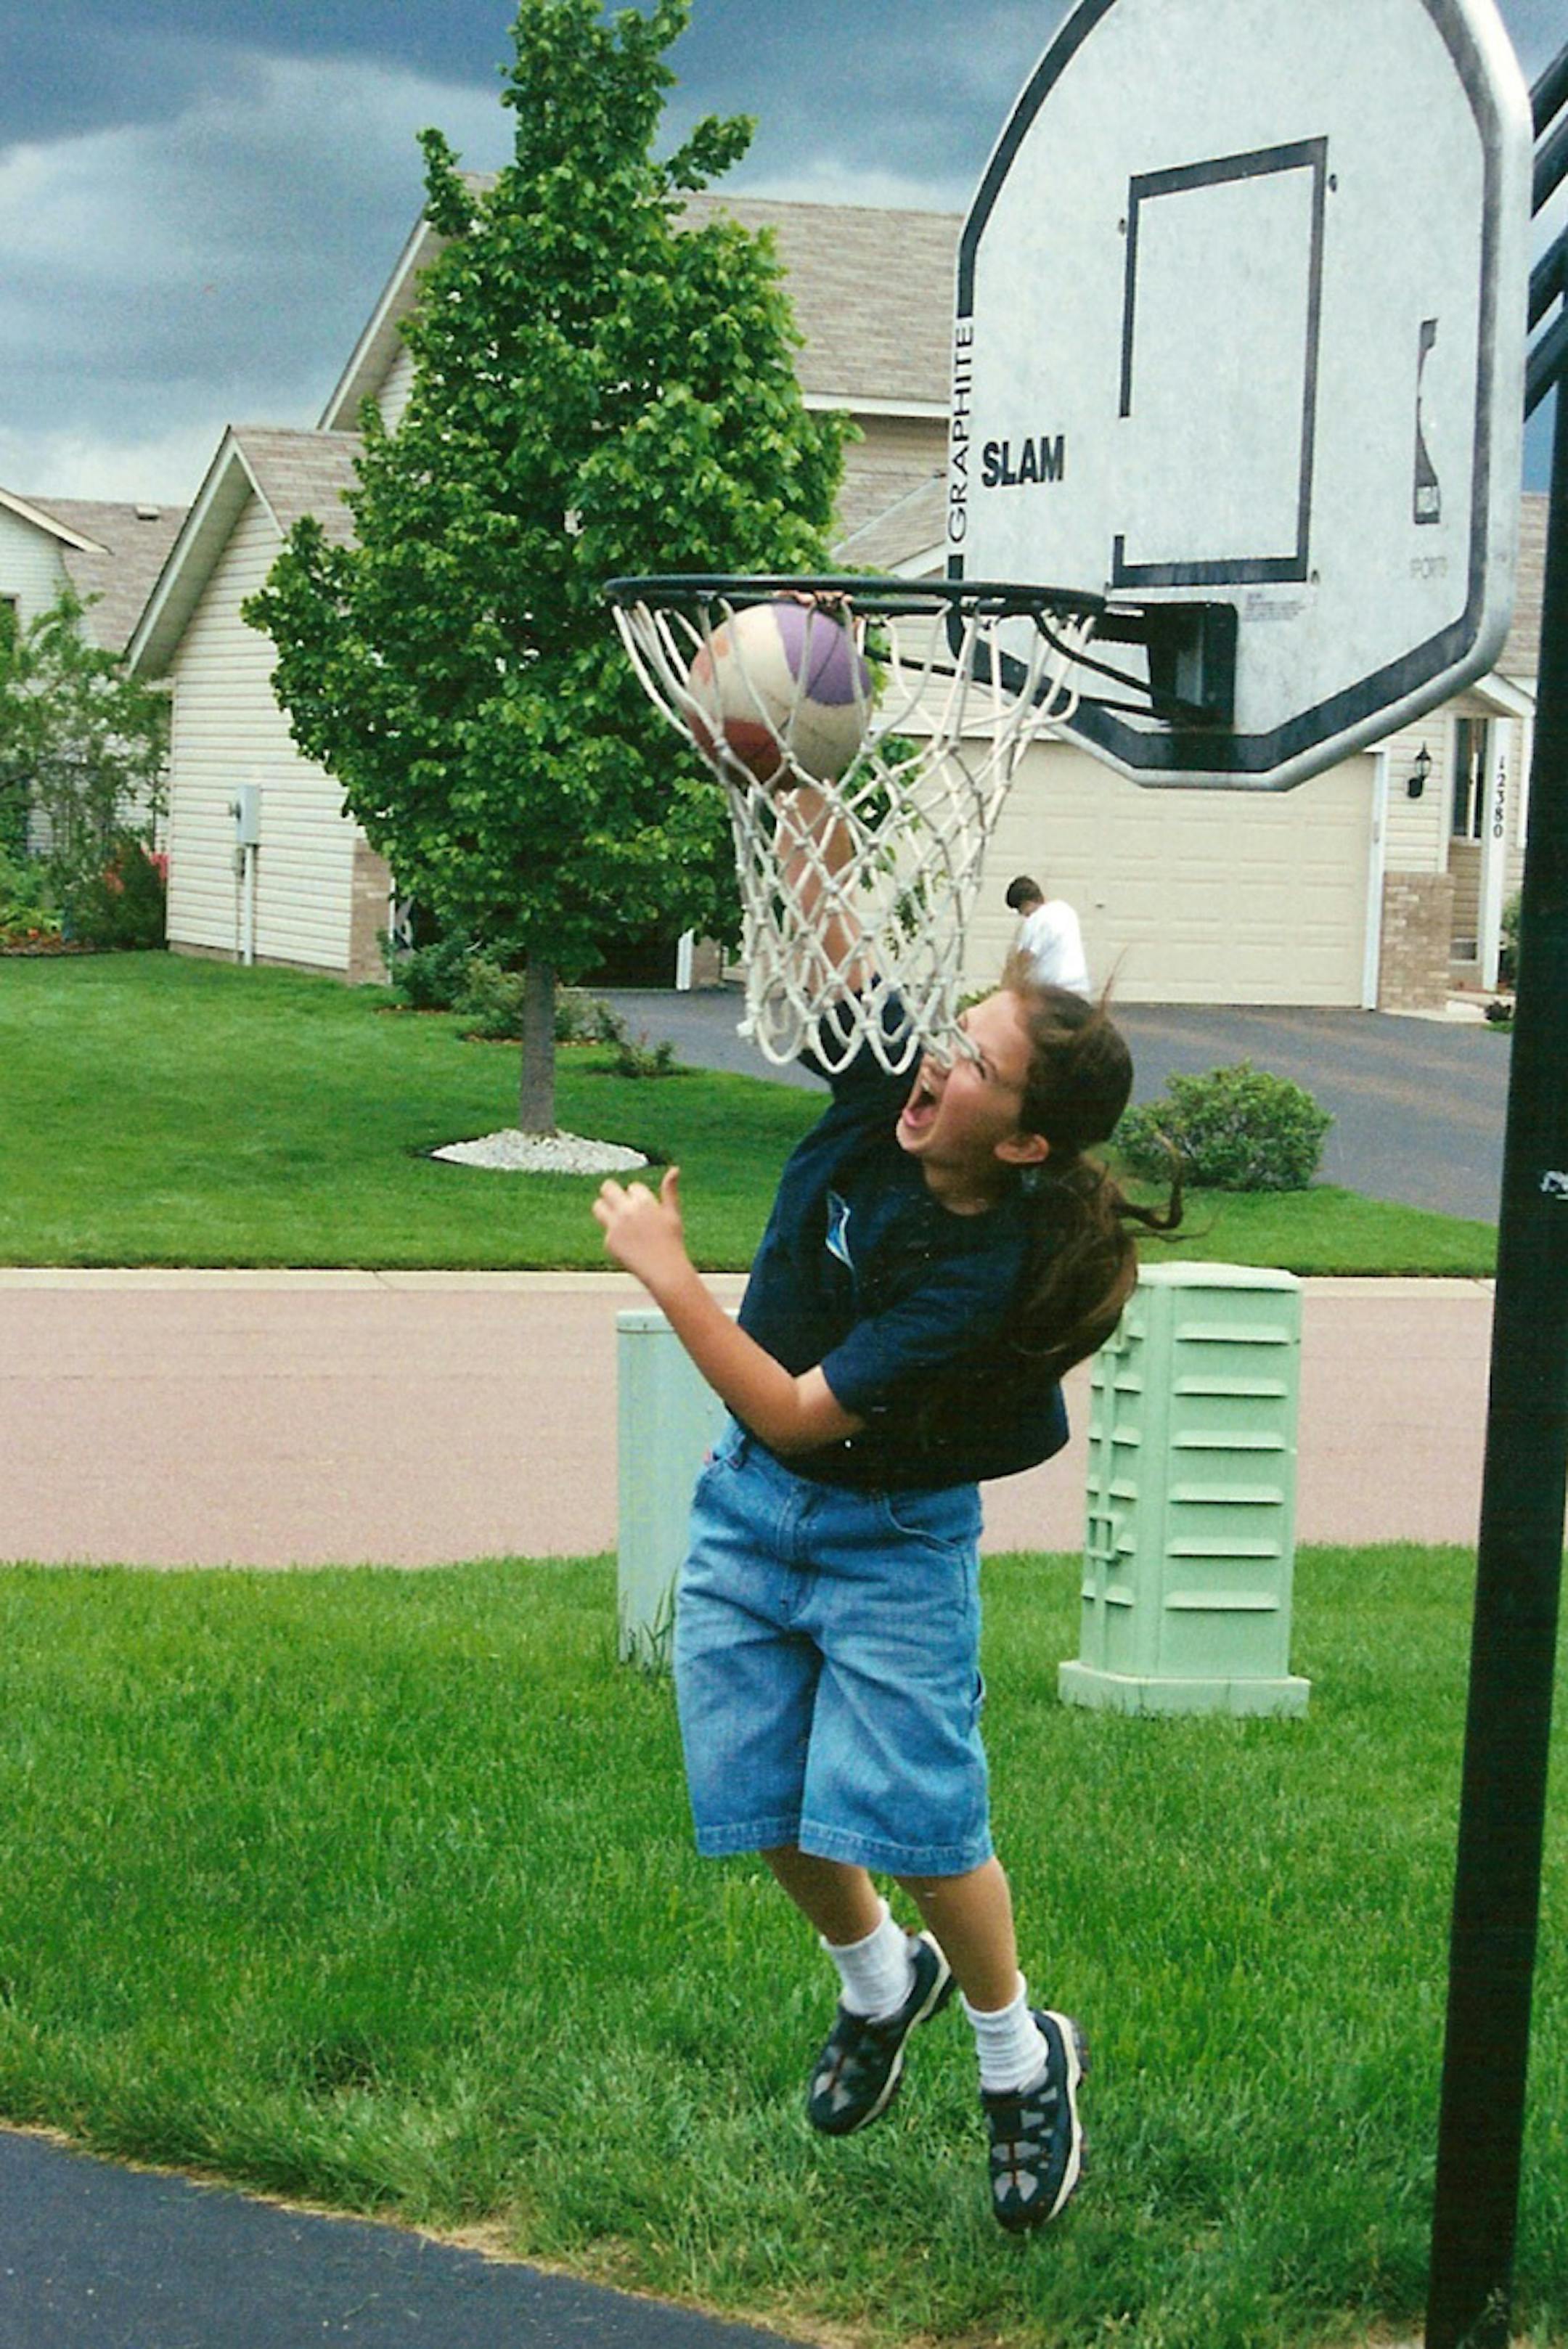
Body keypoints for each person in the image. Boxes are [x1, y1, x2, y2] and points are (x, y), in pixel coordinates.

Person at [593, 786, 1176, 2232]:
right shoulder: (882, 1096)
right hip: (750, 1516)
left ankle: (1014, 2050)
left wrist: (669, 1274)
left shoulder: (973, 1279)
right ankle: (877, 1978)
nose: (933, 1065)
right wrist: (802, 788)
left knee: (918, 1823)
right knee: (762, 1799)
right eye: (945, 1039)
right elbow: (830, 928)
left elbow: (792, 1404)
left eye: (972, 1064)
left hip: (887, 1541)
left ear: (1025, 1143)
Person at [1005, 873, 1091, 998]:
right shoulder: (1066, 910)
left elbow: (1025, 959)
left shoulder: (1035, 920)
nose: (1023, 915)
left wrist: (1009, 990)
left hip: (1053, 993)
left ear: (1025, 904)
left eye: (1020, 910)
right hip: (1079, 988)